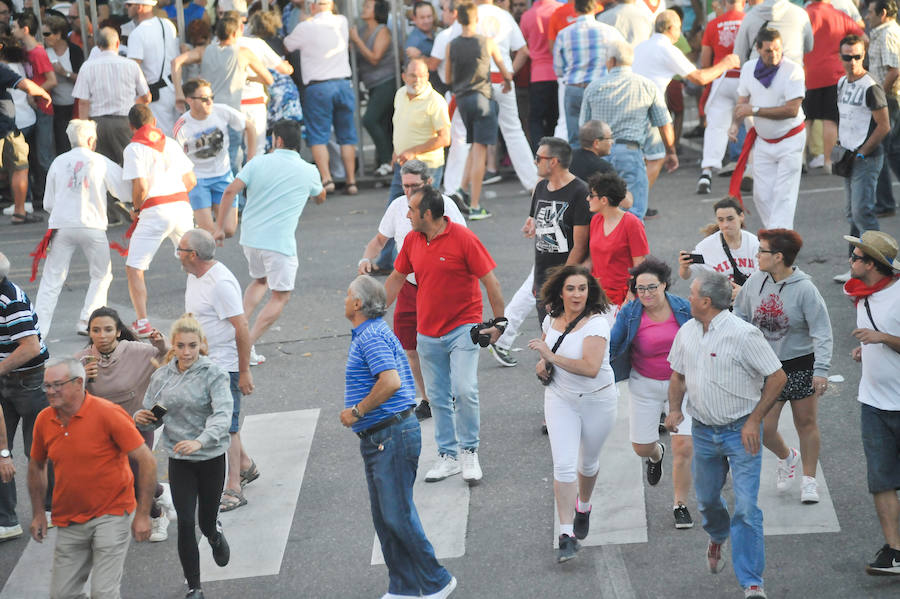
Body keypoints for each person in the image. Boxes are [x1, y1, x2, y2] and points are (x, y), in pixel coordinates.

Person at [666, 270, 786, 599]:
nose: (687, 297)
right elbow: (677, 376)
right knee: (706, 500)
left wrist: (754, 421)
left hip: (741, 431)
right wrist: (675, 409)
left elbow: (777, 377)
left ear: (706, 301)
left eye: (691, 293)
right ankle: (718, 535)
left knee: (747, 508)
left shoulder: (743, 335)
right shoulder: (687, 332)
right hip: (703, 431)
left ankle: (752, 583)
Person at [340, 275, 458, 598]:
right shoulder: (372, 333)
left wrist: (358, 411)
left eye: (348, 294)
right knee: (385, 517)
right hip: (383, 436)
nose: (345, 298)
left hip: (389, 435)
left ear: (358, 303)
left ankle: (437, 580)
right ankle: (403, 588)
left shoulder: (370, 337)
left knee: (396, 514)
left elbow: (390, 382)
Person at [384, 186, 506, 485]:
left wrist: (500, 323)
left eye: (412, 209)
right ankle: (448, 456)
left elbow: (490, 281)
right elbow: (397, 277)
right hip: (427, 332)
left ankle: (469, 452)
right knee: (437, 397)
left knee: (464, 390)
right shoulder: (412, 240)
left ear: (427, 213)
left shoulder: (464, 239)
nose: (407, 214)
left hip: (463, 327)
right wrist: (373, 316)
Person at [28, 358, 157, 598]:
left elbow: (147, 460)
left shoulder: (108, 413)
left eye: (57, 385)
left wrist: (142, 514)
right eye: (46, 386)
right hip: (69, 518)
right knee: (63, 595)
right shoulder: (44, 420)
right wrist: (38, 513)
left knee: (103, 593)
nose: (50, 392)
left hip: (113, 513)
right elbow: (36, 466)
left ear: (79, 383)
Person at [358, 160, 467, 419]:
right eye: (404, 185)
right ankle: (428, 398)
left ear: (428, 183)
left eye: (413, 186)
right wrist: (365, 258)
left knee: (443, 345)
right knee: (409, 347)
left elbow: (463, 243)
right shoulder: (398, 207)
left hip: (440, 286)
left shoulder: (446, 206)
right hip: (409, 284)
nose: (407, 191)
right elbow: (379, 241)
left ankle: (451, 392)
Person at [733, 229, 833, 504]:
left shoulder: (805, 289)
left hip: (800, 364)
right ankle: (787, 457)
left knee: (806, 423)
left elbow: (822, 331)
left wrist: (821, 370)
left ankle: (809, 480)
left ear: (778, 257)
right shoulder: (756, 281)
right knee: (763, 427)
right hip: (767, 368)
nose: (756, 255)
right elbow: (739, 315)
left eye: (761, 251)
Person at [136, 315, 232, 599]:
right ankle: (195, 587)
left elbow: (223, 415)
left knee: (204, 522)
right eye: (181, 345)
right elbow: (152, 417)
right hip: (180, 462)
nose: (187, 351)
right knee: (186, 523)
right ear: (173, 347)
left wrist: (199, 441)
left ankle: (214, 535)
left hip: (211, 457)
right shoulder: (162, 377)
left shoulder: (213, 373)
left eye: (192, 345)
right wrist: (141, 419)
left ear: (201, 345)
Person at [215, 119, 324, 366]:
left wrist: (219, 227)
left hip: (250, 240)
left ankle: (236, 334)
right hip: (279, 244)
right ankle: (246, 345)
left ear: (278, 140)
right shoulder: (309, 170)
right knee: (280, 296)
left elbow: (230, 191)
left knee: (260, 281)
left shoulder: (258, 162)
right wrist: (318, 195)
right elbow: (320, 195)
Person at [528, 265, 616, 562]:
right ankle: (566, 533)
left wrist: (551, 356)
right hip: (560, 398)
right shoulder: (552, 317)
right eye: (571, 288)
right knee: (564, 466)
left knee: (587, 464)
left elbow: (591, 368)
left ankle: (584, 505)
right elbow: (548, 350)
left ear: (590, 292)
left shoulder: (597, 324)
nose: (577, 294)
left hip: (597, 400)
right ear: (560, 292)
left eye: (582, 288)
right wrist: (544, 364)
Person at [609, 257, 696, 529]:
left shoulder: (683, 308)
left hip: (681, 386)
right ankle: (656, 454)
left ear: (665, 285)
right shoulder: (630, 312)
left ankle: (680, 504)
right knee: (640, 447)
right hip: (644, 384)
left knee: (684, 446)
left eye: (652, 287)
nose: (646, 294)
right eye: (640, 288)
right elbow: (611, 345)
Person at [74, 306, 173, 542]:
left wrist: (160, 343)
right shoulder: (82, 359)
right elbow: (69, 399)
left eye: (108, 329)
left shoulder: (134, 350)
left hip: (138, 421)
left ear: (118, 332)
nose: (102, 335)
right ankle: (158, 492)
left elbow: (166, 356)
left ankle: (158, 516)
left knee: (136, 476)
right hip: (104, 428)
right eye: (96, 330)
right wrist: (83, 379)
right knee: (121, 480)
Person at [176, 229, 256, 514]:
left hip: (226, 366)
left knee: (226, 426)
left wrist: (244, 371)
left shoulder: (220, 283)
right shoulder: (194, 275)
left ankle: (233, 486)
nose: (178, 254)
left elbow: (242, 326)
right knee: (220, 419)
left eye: (181, 249)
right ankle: (244, 464)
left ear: (193, 255)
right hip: (204, 363)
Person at [32, 119, 130, 338]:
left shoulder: (58, 162)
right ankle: (88, 319)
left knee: (52, 279)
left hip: (61, 225)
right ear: (90, 139)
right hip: (92, 225)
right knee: (101, 274)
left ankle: (38, 330)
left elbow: (48, 202)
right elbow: (124, 192)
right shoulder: (100, 161)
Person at [843, 230, 900, 576]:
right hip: (874, 403)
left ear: (872, 264)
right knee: (880, 481)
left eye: (855, 256)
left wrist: (883, 338)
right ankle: (895, 551)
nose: (849, 261)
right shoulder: (863, 296)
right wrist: (867, 350)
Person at [633, 10, 739, 197]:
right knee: (656, 158)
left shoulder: (642, 46)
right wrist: (726, 63)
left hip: (630, 105)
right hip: (647, 108)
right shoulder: (667, 49)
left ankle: (632, 204)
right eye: (679, 29)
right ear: (672, 28)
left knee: (637, 160)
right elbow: (699, 78)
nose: (680, 33)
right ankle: (636, 205)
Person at [579, 39, 677, 220]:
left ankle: (605, 247)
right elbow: (664, 123)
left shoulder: (593, 88)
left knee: (600, 213)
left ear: (611, 61)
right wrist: (671, 152)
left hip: (598, 154)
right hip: (630, 153)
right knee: (633, 212)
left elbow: (584, 128)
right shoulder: (647, 85)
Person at [122, 104, 196, 337]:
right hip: (182, 206)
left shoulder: (134, 148)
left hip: (155, 210)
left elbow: (141, 186)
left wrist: (135, 208)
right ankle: (201, 314)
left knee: (135, 267)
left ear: (132, 126)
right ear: (154, 121)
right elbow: (191, 180)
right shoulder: (172, 145)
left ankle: (142, 322)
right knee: (194, 262)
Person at [728, 28, 806, 229]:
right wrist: (735, 126)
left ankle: (778, 242)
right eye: (768, 51)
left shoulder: (792, 70)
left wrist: (754, 110)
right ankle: (776, 237)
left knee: (784, 195)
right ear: (758, 49)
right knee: (761, 195)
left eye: (778, 50)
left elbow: (791, 110)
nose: (774, 55)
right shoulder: (748, 68)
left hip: (791, 139)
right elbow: (742, 102)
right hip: (764, 140)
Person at [445, 1, 513, 219]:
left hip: (463, 99)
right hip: (483, 97)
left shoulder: (451, 44)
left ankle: (461, 190)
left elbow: (447, 78)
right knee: (480, 152)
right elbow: (505, 71)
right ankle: (475, 206)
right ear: (476, 19)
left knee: (474, 148)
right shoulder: (487, 42)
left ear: (458, 18)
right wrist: (508, 82)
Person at [832, 35, 891, 283]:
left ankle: (880, 269)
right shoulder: (842, 83)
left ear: (863, 56)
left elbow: (884, 126)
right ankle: (857, 267)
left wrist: (861, 152)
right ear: (841, 57)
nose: (852, 61)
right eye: (847, 57)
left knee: (863, 213)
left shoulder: (871, 87)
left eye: (857, 56)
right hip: (848, 156)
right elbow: (846, 119)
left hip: (865, 158)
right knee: (853, 214)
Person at [0, 251, 50, 542]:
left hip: (27, 380)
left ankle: (51, 508)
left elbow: (30, 347)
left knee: (38, 450)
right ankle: (7, 520)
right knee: (1, 450)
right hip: (7, 378)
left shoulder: (10, 299)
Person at [283, 0, 358, 195]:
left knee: (318, 136)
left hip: (318, 86)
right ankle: (351, 181)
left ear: (312, 6)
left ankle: (327, 179)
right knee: (347, 135)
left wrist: (304, 19)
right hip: (343, 82)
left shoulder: (305, 26)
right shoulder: (341, 21)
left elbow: (287, 45)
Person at [173, 78, 255, 235]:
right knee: (210, 233)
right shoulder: (182, 125)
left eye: (211, 97)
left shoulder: (222, 111)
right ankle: (201, 238)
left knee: (229, 230)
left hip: (222, 176)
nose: (209, 102)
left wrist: (250, 159)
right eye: (204, 99)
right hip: (198, 180)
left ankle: (202, 231)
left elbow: (249, 126)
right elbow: (175, 156)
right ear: (189, 100)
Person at [525, 136, 591, 320]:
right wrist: (538, 282)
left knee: (567, 338)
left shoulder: (580, 192)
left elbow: (580, 246)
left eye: (538, 158)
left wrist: (559, 284)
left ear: (553, 162)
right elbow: (535, 221)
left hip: (568, 282)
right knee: (547, 337)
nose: (535, 162)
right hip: (542, 277)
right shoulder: (540, 188)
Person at [71, 27, 151, 165]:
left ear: (97, 45)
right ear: (118, 44)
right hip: (126, 122)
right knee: (129, 164)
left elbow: (83, 102)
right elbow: (146, 97)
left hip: (97, 124)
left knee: (100, 166)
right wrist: (132, 105)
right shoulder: (131, 65)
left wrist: (84, 127)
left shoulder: (87, 67)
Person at [553, 0, 624, 149]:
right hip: (601, 89)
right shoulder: (609, 31)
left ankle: (579, 171)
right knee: (603, 138)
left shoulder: (564, 34)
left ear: (575, 8)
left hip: (574, 88)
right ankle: (601, 171)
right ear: (594, 7)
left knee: (575, 139)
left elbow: (558, 68)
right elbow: (621, 57)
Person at [803, 0, 864, 172]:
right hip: (834, 73)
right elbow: (862, 36)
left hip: (810, 73)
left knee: (806, 119)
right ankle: (829, 162)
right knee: (831, 119)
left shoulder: (805, 13)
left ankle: (800, 161)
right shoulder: (839, 15)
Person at [386, 57, 451, 204]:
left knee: (421, 213)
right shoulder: (400, 94)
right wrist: (397, 151)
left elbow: (445, 138)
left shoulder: (435, 101)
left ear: (428, 76)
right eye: (413, 75)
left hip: (426, 167)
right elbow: (401, 126)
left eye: (422, 76)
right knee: (395, 211)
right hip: (403, 164)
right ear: (404, 77)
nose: (418, 80)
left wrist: (413, 151)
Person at [696, 0, 745, 195]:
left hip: (722, 78)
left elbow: (706, 61)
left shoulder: (713, 24)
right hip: (745, 77)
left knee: (716, 127)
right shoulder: (749, 20)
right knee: (752, 124)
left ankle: (706, 172)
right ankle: (750, 170)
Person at [12, 11, 56, 210]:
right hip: (32, 110)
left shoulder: (38, 52)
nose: (12, 30)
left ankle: (56, 197)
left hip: (43, 109)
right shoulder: (25, 51)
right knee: (31, 156)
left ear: (25, 29)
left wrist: (34, 93)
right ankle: (41, 196)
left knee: (44, 157)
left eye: (15, 27)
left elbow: (51, 80)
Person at [0, 60, 53, 224]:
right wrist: (43, 93)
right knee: (20, 167)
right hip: (5, 130)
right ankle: (19, 212)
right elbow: (25, 85)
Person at [586, 172, 649, 309]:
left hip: (623, 298)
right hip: (597, 295)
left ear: (604, 200)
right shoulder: (596, 220)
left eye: (591, 195)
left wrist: (631, 295)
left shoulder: (632, 223)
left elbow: (639, 264)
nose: (587, 198)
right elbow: (592, 259)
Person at [677, 197, 760, 302]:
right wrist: (684, 267)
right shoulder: (705, 246)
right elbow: (686, 275)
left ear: (741, 216)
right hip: (720, 306)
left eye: (730, 219)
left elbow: (764, 280)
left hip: (750, 302)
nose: (725, 224)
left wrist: (743, 292)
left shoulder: (755, 244)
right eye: (721, 220)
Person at [349, 0, 396, 177]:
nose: (364, 8)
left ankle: (386, 161)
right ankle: (385, 162)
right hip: (373, 84)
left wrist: (356, 41)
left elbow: (375, 57)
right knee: (382, 123)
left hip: (386, 81)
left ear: (377, 11)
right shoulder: (362, 31)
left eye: (368, 6)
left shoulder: (382, 31)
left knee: (370, 119)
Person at [125, 0, 180, 135]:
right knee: (178, 135)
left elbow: (133, 68)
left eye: (129, 5)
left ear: (139, 7)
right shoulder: (168, 24)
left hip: (155, 94)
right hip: (175, 87)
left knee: (161, 137)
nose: (126, 8)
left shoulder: (137, 33)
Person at [868, 0, 900, 218]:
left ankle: (885, 203)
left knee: (878, 148)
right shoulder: (883, 31)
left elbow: (894, 69)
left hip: (888, 100)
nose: (867, 16)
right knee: (894, 151)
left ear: (883, 13)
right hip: (889, 98)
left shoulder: (889, 33)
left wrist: (879, 96)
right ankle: (885, 202)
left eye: (871, 12)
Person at [519, 0, 563, 151]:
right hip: (558, 74)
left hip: (537, 75)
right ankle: (555, 155)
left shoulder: (527, 15)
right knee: (556, 119)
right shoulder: (560, 10)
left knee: (535, 119)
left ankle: (539, 155)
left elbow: (521, 45)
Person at [42, 14, 83, 154]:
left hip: (75, 106)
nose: (44, 37)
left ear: (58, 34)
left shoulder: (74, 51)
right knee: (62, 145)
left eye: (47, 34)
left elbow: (84, 79)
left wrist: (64, 72)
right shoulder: (45, 52)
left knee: (78, 143)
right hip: (56, 107)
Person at [733, 0, 814, 65]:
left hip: (758, 76)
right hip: (791, 75)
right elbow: (809, 47)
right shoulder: (801, 14)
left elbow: (739, 55)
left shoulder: (750, 16)